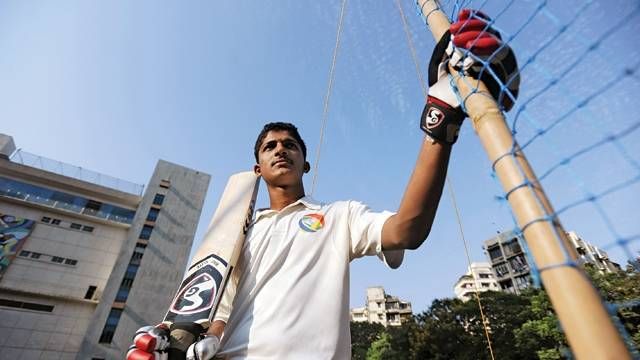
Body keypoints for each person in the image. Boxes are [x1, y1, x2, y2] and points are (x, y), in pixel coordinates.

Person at [127, 8, 519, 360]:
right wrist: (177, 341)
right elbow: (217, 314)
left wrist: (439, 121)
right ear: (257, 167)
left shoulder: (339, 217)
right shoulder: (236, 237)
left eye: (290, 145)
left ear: (305, 162)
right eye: (270, 147)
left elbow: (407, 230)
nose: (280, 150)